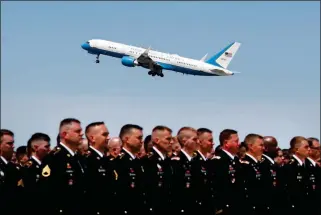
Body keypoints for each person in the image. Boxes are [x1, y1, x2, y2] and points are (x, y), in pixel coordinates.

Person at [37, 118, 87, 215]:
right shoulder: (53, 158)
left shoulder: (80, 158)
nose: (81, 134)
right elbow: (45, 192)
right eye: (78, 131)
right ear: (65, 135)